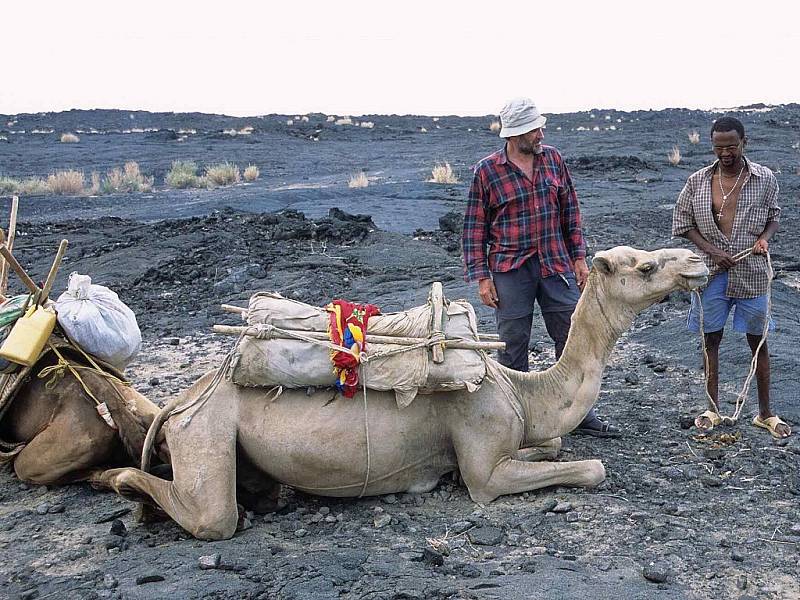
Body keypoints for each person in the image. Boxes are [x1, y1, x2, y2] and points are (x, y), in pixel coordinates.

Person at [462, 97, 618, 438]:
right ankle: (515, 419)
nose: (541, 133)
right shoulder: (487, 171)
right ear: (515, 134)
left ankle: (578, 414)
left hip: (555, 263)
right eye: (534, 129)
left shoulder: (554, 160)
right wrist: (481, 277)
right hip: (509, 268)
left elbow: (570, 212)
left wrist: (579, 258)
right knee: (513, 344)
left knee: (572, 336)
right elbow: (474, 227)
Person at [672, 116, 791, 438]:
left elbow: (774, 216)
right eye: (719, 147)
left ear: (744, 143)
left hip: (751, 274)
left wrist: (765, 238)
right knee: (710, 340)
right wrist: (711, 250)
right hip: (712, 275)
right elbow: (683, 224)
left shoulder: (764, 178)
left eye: (732, 146)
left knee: (759, 343)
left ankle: (765, 413)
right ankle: (712, 407)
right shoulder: (697, 181)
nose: (725, 153)